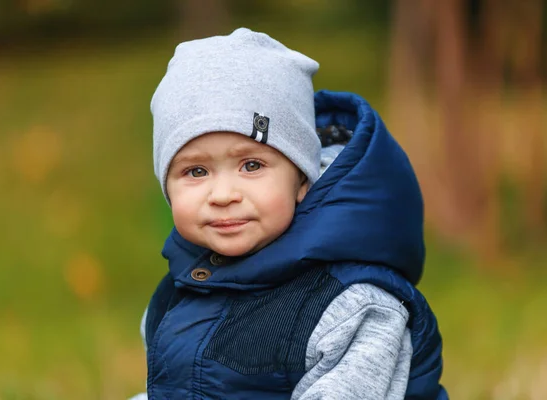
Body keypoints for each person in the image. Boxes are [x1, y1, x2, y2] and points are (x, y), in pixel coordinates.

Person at [132, 27, 448, 399]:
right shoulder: (182, 293)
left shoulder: (350, 305)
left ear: (302, 180)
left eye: (251, 166)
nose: (222, 194)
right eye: (195, 172)